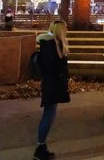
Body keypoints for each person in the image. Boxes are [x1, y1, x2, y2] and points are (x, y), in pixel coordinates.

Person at [34, 19, 70, 160]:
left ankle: (41, 146)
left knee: (48, 114)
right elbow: (52, 66)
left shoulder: (51, 44)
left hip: (52, 83)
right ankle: (40, 147)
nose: (67, 30)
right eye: (65, 28)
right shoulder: (51, 45)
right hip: (52, 84)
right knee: (49, 115)